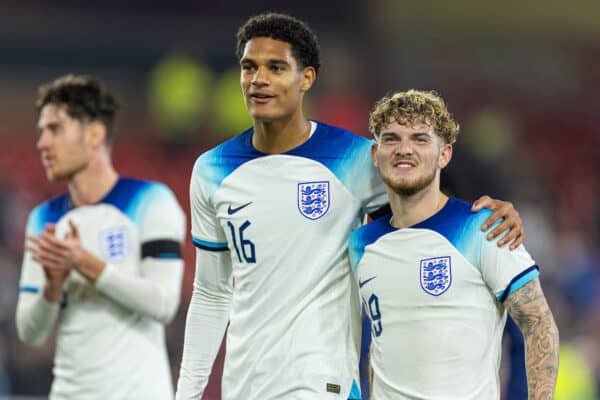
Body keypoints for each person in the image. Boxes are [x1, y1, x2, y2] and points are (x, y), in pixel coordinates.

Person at [176, 13, 525, 400]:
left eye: (275, 67)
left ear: (306, 78)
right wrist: (187, 393)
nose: (259, 79)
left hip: (326, 384)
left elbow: (431, 204)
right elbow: (211, 293)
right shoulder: (211, 171)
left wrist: (486, 213)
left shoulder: (357, 160)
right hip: (243, 387)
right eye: (249, 67)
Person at [349, 89, 559, 399]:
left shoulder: (485, 229)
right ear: (374, 155)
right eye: (391, 139)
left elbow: (538, 322)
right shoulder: (360, 243)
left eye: (420, 139)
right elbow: (378, 345)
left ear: (444, 154)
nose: (404, 149)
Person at [16, 74, 186, 400]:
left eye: (55, 129)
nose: (42, 143)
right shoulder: (44, 219)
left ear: (94, 133)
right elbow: (30, 333)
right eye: (41, 132)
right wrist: (51, 288)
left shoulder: (152, 200)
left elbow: (164, 304)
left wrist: (86, 264)